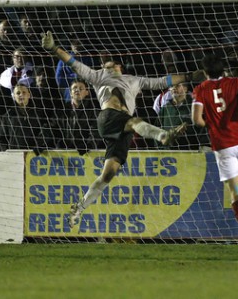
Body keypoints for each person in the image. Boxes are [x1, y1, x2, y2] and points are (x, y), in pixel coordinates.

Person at [41, 31, 198, 229]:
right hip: (108, 118)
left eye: (112, 64)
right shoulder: (97, 76)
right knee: (134, 121)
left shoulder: (134, 80)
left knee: (108, 174)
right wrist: (54, 48)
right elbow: (74, 63)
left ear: (119, 67)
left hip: (123, 129)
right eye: (106, 65)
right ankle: (163, 135)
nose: (108, 66)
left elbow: (161, 81)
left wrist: (189, 76)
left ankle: (79, 208)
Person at [191, 53, 238, 253]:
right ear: (224, 69)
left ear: (205, 72)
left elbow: (196, 120)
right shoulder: (235, 83)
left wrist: (211, 125)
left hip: (221, 145)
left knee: (235, 192)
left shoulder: (200, 90)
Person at [0, 80, 54, 153]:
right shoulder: (8, 116)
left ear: (29, 95)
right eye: (18, 93)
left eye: (24, 92)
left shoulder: (39, 114)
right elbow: (2, 138)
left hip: (33, 155)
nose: (21, 95)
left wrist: (39, 146)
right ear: (14, 96)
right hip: (14, 155)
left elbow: (45, 132)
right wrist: (7, 152)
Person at [56, 79, 103, 155]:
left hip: (86, 154)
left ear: (87, 92)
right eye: (74, 88)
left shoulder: (93, 111)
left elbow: (96, 132)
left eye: (81, 88)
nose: (77, 90)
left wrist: (88, 145)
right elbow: (52, 127)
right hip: (65, 152)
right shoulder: (62, 109)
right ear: (70, 93)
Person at [159, 82, 209, 150]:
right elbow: (157, 129)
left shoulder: (195, 106)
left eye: (178, 85)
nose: (174, 88)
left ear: (185, 88)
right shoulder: (165, 108)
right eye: (171, 86)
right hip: (168, 153)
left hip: (191, 152)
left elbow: (205, 128)